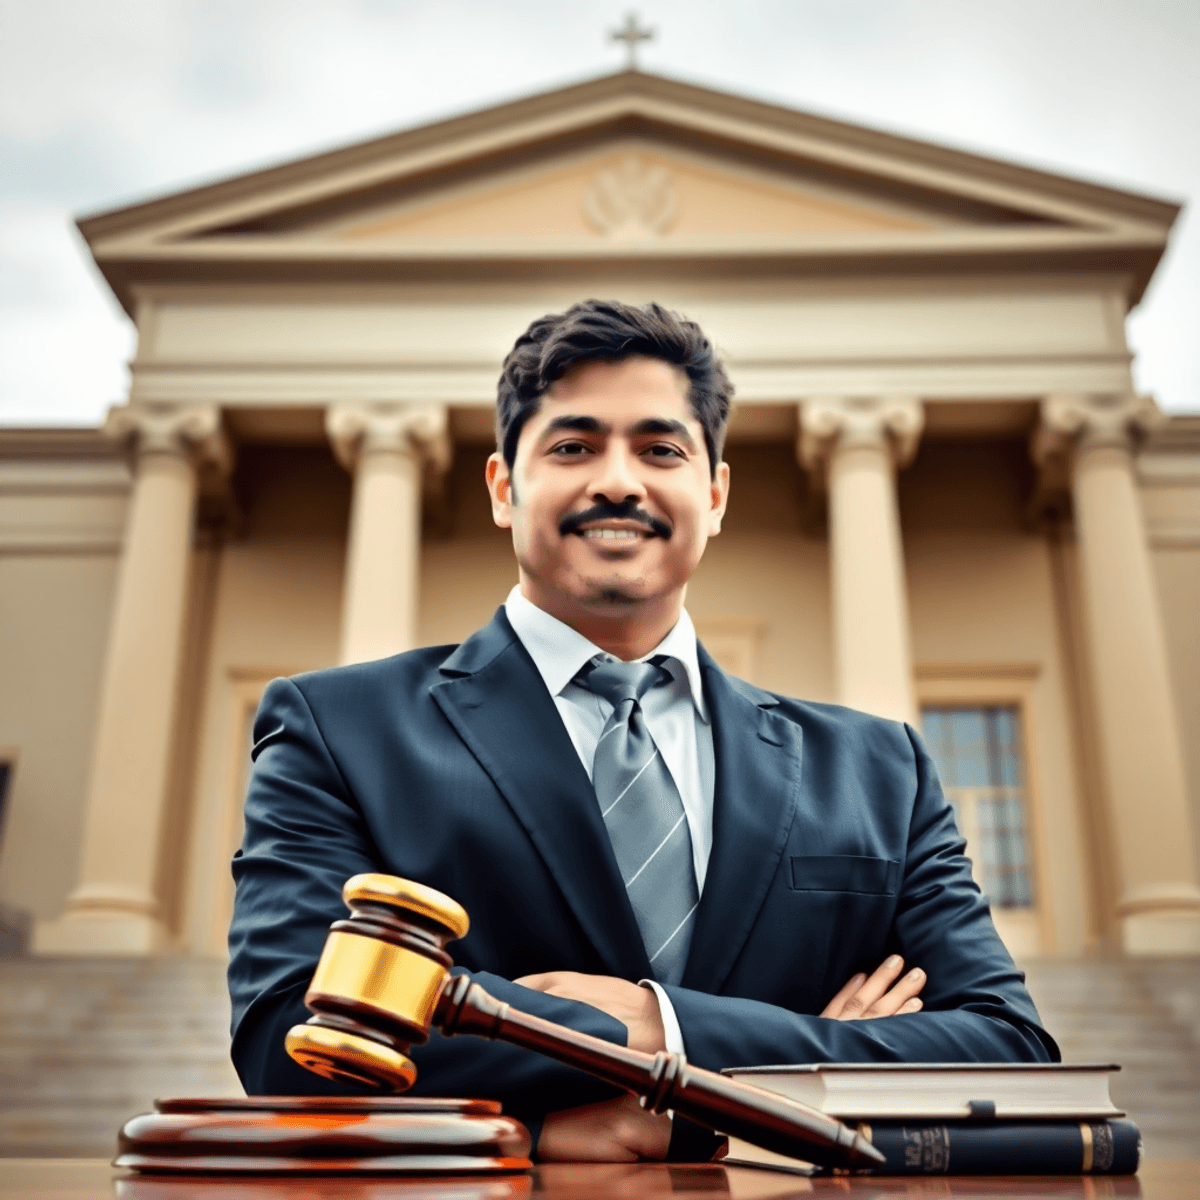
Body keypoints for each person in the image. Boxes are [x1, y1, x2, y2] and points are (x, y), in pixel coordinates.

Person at [228, 299, 1058, 1162]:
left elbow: (1008, 1051)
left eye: (660, 449)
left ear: (715, 493)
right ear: (504, 489)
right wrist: (806, 1046)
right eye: (573, 446)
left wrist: (667, 1027)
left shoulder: (881, 768)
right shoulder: (340, 730)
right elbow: (294, 1031)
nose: (619, 481)